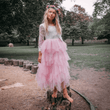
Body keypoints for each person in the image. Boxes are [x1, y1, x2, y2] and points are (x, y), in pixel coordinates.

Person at [36, 4, 73, 103]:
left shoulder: (57, 24)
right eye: (50, 12)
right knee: (53, 71)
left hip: (58, 50)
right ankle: (55, 90)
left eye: (54, 13)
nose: (52, 14)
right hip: (48, 50)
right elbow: (40, 41)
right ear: (46, 13)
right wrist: (40, 54)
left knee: (61, 70)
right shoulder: (42, 26)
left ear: (55, 15)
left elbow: (59, 37)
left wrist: (63, 48)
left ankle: (65, 93)